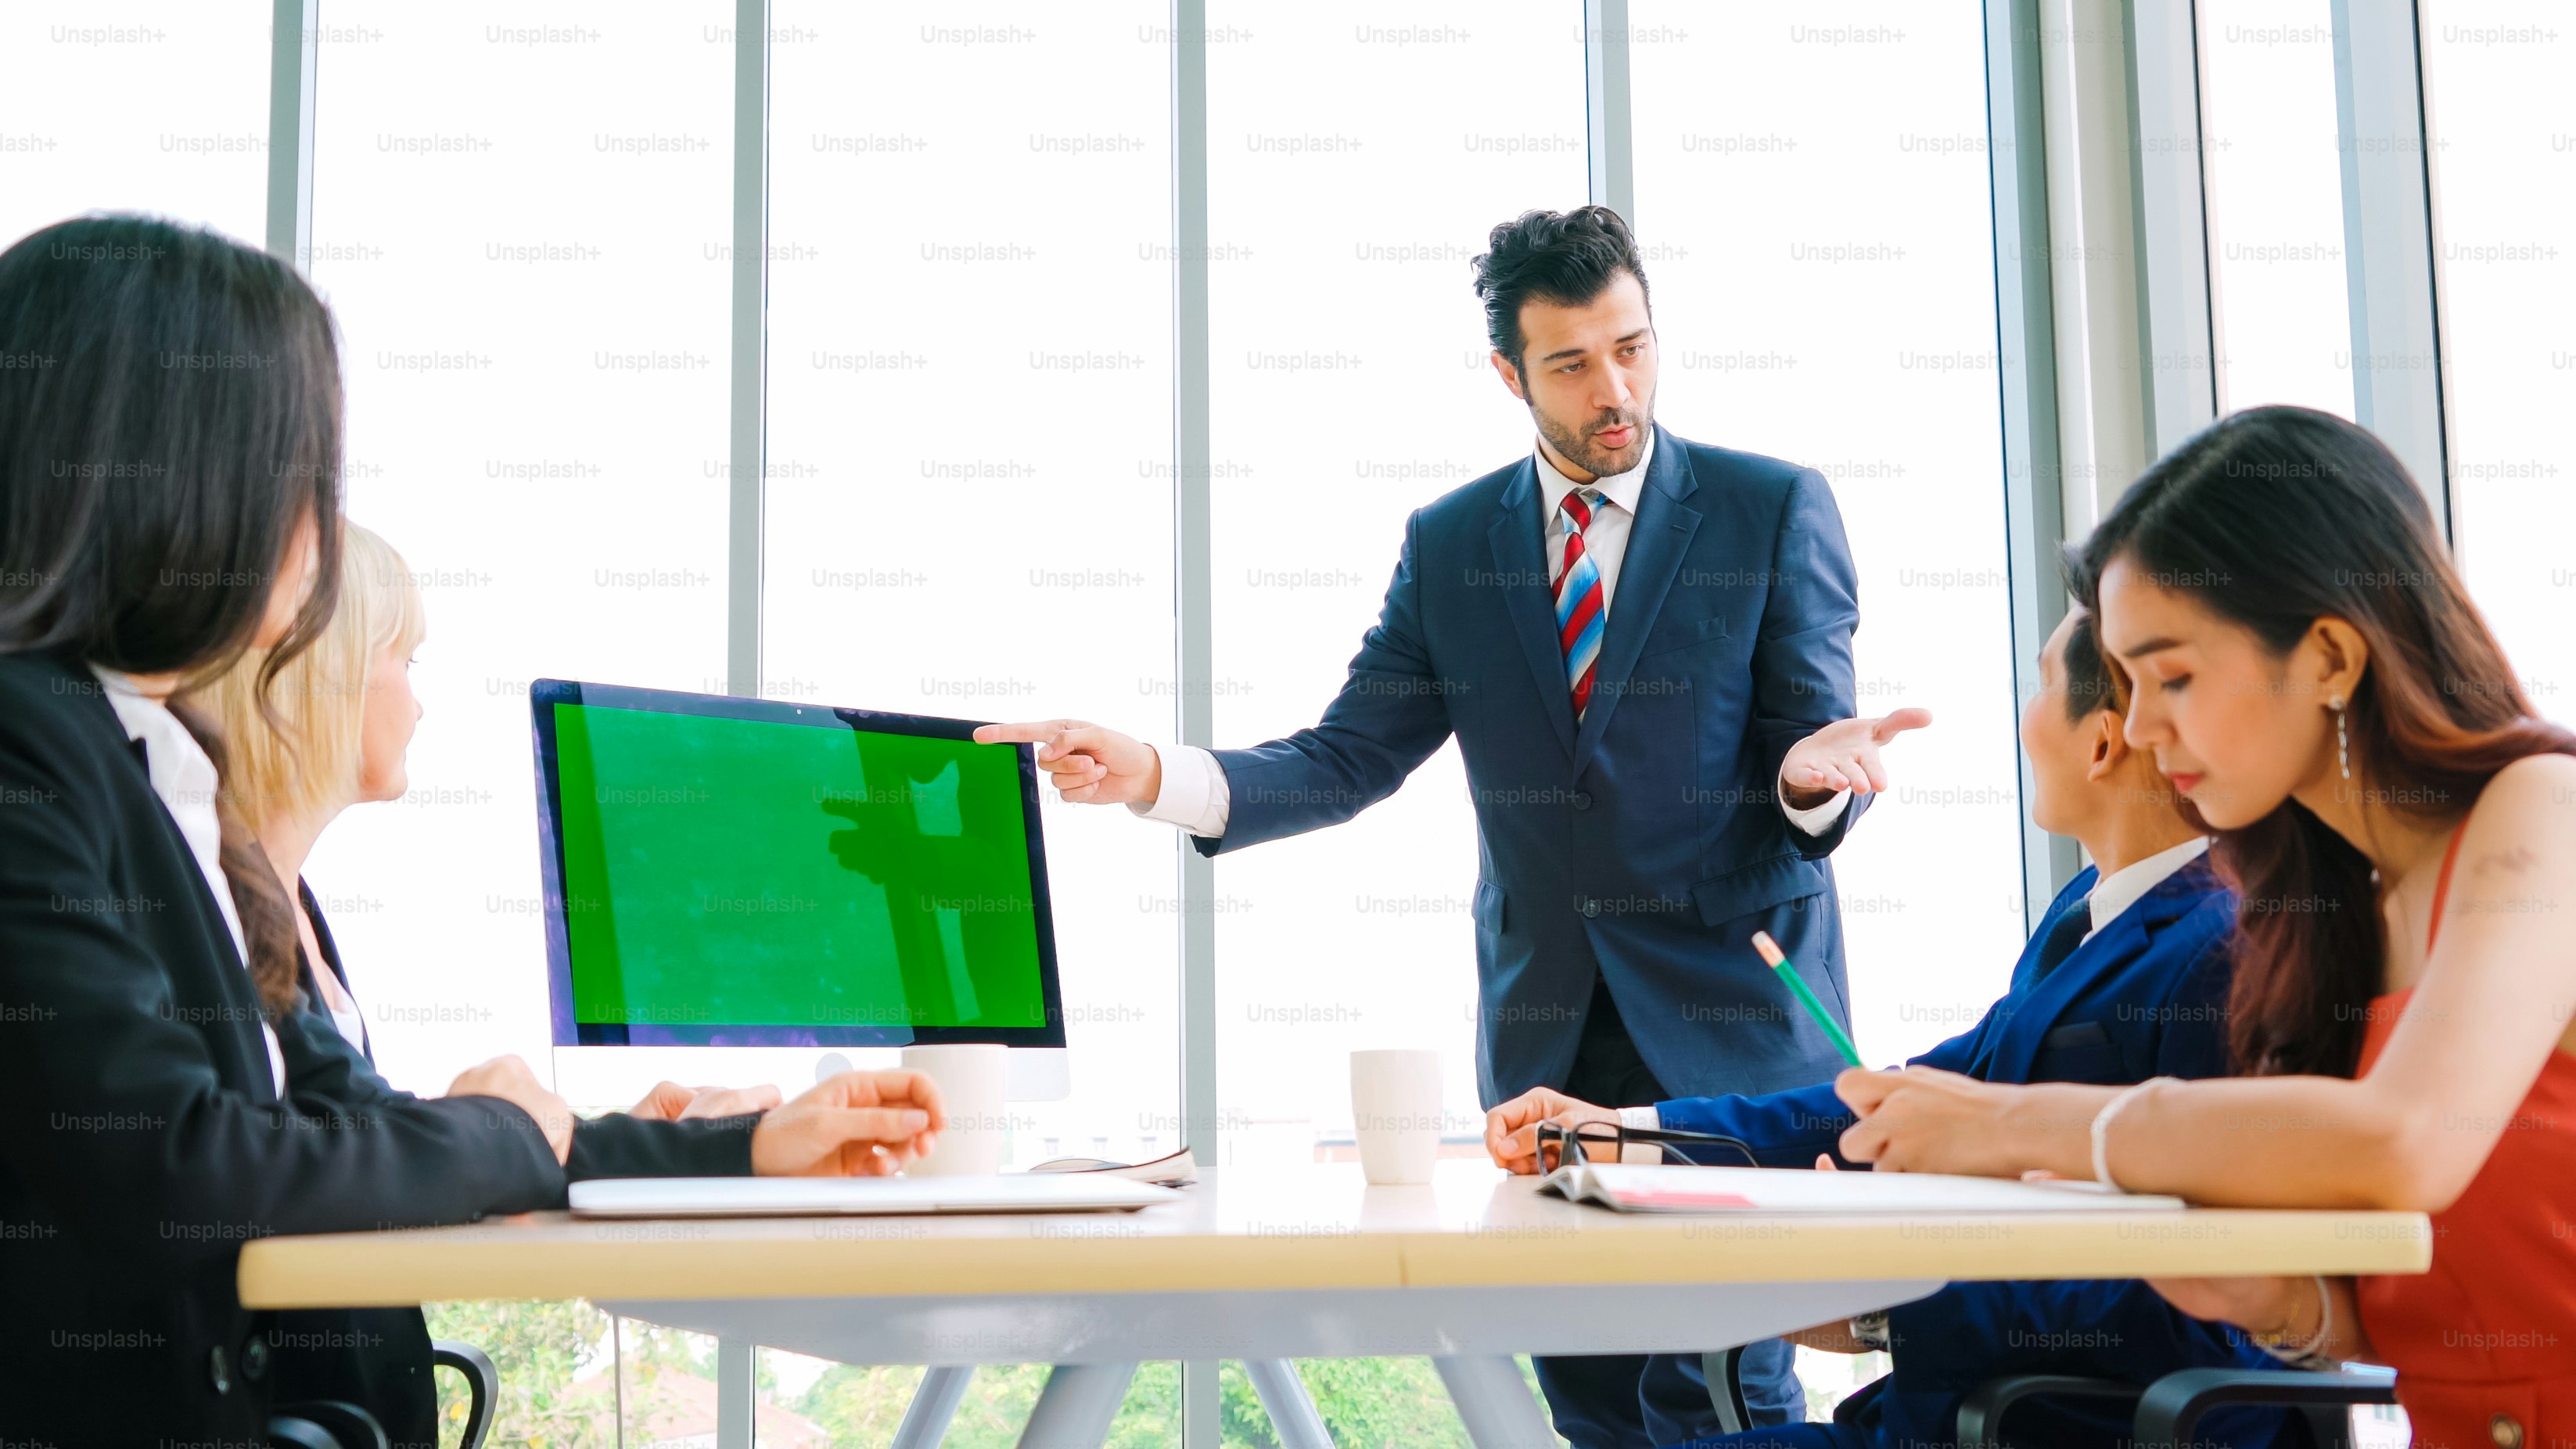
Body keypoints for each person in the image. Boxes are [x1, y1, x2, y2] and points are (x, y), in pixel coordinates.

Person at [974, 205, 1924, 1442]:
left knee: (1720, 1399)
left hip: (1726, 1047)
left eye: (1632, 348)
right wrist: (1155, 770)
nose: (1615, 388)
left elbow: (1808, 749)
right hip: (1547, 1047)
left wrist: (1808, 777)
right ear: (1508, 373)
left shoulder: (1769, 508)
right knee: (1586, 1399)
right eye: (1573, 365)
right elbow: (1346, 757)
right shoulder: (1451, 543)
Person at [0, 214, 945, 1442]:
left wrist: (752, 1144)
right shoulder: (32, 737)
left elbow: (337, 1130)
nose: (317, 536)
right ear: (180, 475)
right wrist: (502, 1129)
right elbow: (170, 1168)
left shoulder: (149, 766)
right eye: (304, 478)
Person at [1831, 407, 2576, 1445]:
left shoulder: (2546, 809)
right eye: (2127, 685)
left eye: (2171, 676)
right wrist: (2278, 1301)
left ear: (2327, 657)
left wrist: (2016, 1125)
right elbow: (2436, 1316)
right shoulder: (2330, 918)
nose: (2136, 728)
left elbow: (2412, 1143)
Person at [1486, 607, 2308, 1449]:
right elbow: (1898, 1102)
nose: (2023, 718)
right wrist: (1625, 1131)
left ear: (2102, 742)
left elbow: (2211, 1309)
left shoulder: (2224, 949)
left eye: (2042, 684)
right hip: (1941, 1418)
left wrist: (1885, 1297)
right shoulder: (2087, 918)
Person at [197, 519, 780, 1444]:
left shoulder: (290, 903)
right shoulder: (214, 905)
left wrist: (688, 1140)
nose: (420, 704)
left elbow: (367, 1145)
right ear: (326, 669)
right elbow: (303, 1166)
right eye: (408, 660)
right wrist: (518, 1132)